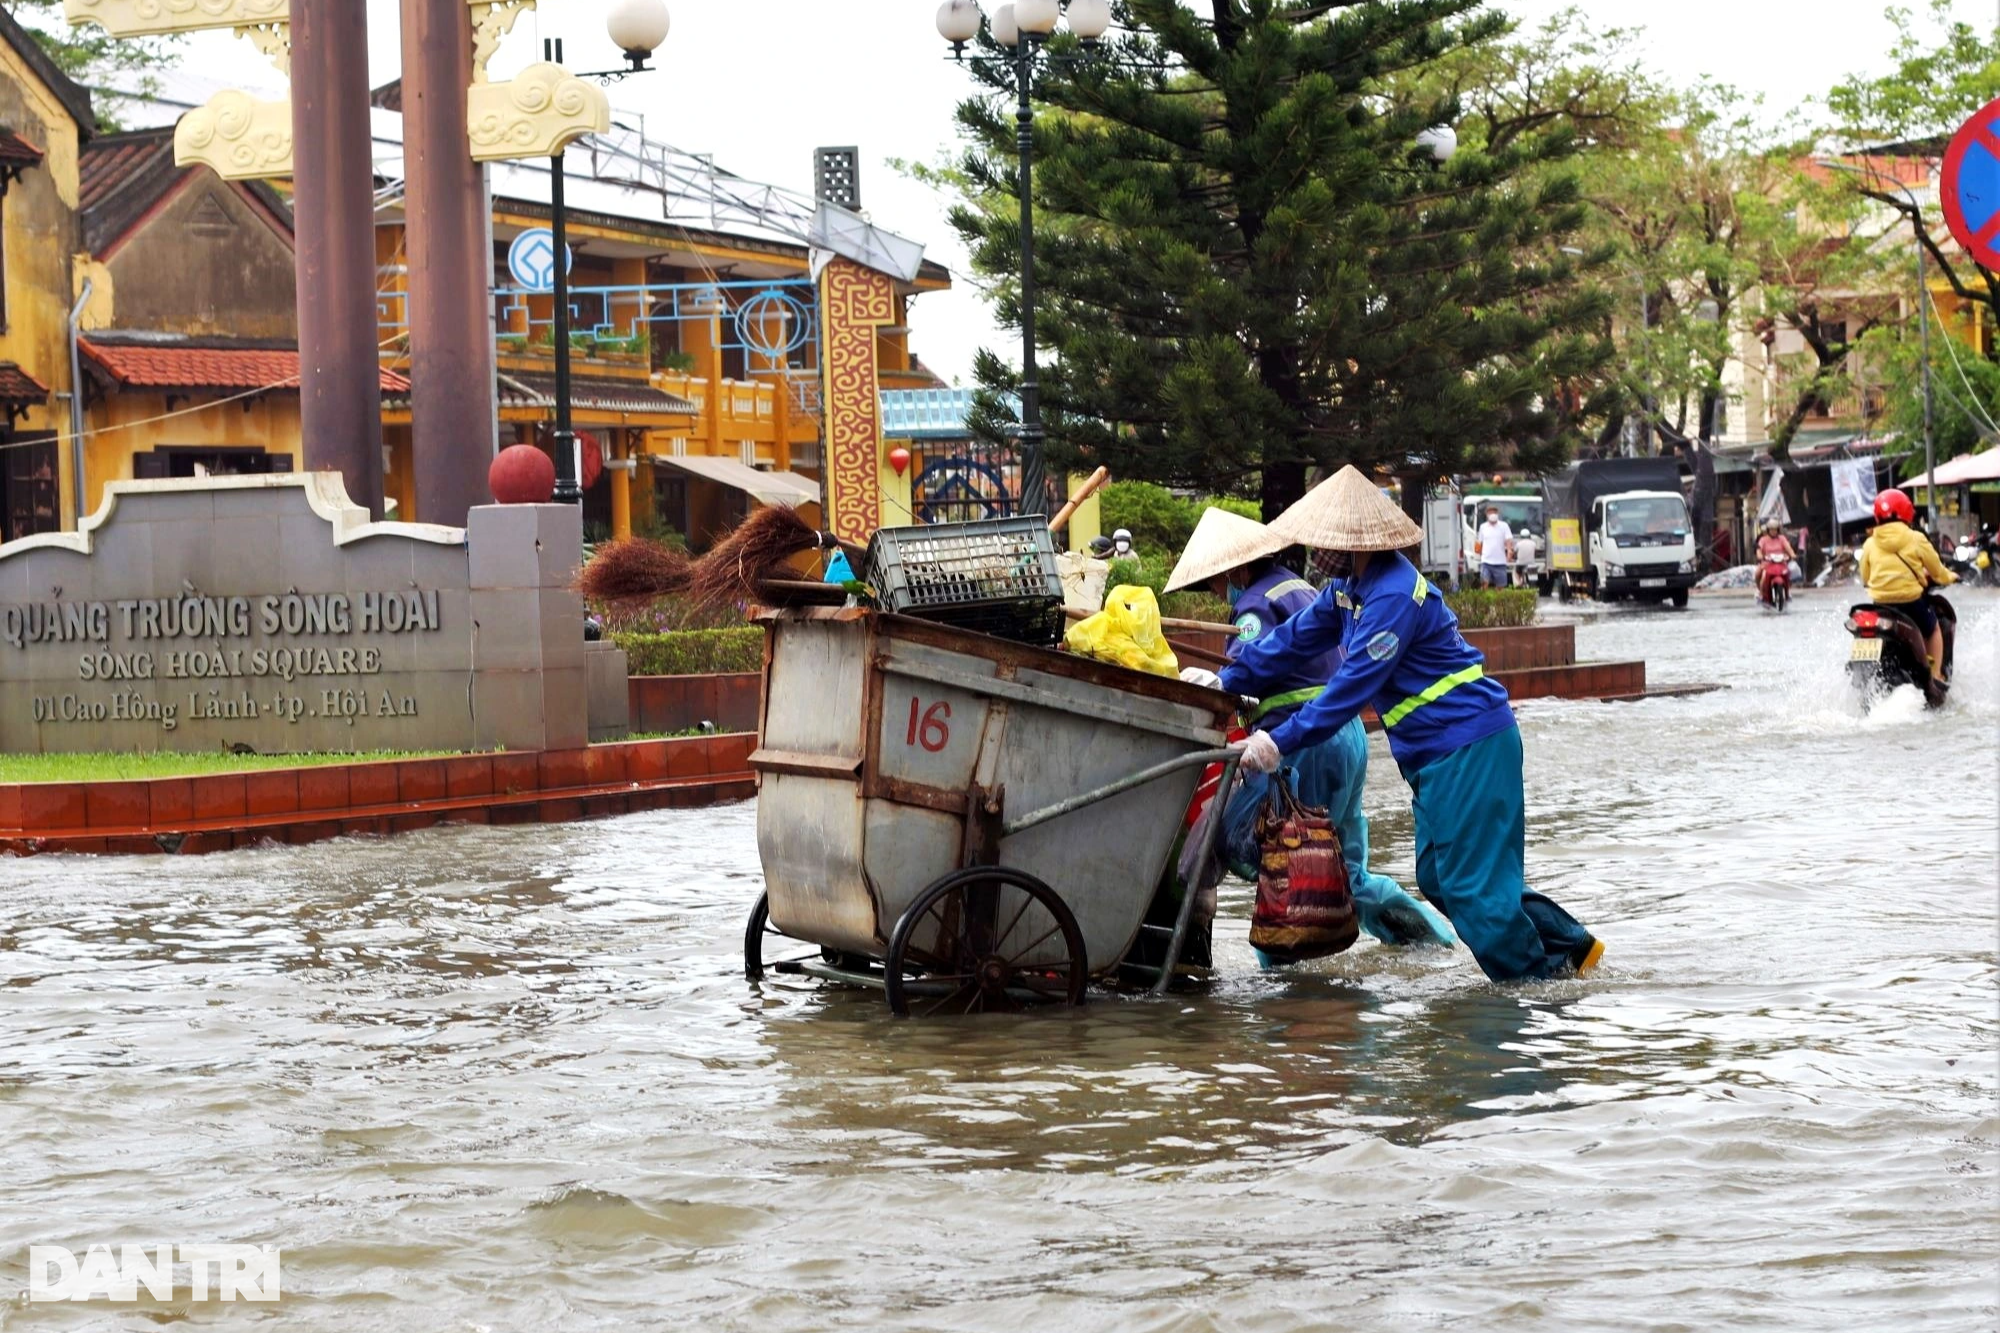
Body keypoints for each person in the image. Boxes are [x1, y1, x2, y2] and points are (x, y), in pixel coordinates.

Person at [1220, 466, 1602, 984]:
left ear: (1353, 542)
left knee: (1469, 888)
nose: (1317, 553)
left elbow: (1349, 688)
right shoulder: (1347, 589)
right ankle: (1569, 948)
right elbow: (1291, 639)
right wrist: (1227, 678)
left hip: (1467, 744)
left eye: (1325, 543)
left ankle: (1529, 992)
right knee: (1439, 879)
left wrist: (1277, 740)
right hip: (1434, 756)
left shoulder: (1393, 596)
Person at [1164, 507, 1454, 950]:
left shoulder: (1254, 604)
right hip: (1346, 735)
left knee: (1282, 856)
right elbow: (1283, 653)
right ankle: (1432, 943)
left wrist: (1223, 685)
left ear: (1237, 569)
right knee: (1346, 868)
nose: (1219, 592)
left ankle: (1286, 988)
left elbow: (1255, 658)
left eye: (1216, 582)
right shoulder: (1304, 587)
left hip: (1306, 742)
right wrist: (1227, 680)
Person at [1859, 488, 1956, 683]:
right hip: (1910, 603)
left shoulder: (1870, 543)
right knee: (1934, 629)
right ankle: (1936, 675)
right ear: (1906, 512)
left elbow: (1865, 577)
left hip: (1880, 606)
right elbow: (1937, 571)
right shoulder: (1915, 538)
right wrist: (1950, 576)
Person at [1753, 520, 1796, 605]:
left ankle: (1788, 592)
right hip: (1767, 563)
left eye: (1775, 529)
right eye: (1771, 529)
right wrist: (1760, 556)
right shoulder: (1763, 539)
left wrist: (1792, 554)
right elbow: (1759, 549)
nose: (1773, 531)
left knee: (1789, 573)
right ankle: (1761, 593)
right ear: (1768, 530)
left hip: (1781, 563)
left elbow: (1788, 547)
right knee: (1759, 574)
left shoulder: (1782, 538)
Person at [1475, 507, 1514, 589]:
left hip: (1500, 562)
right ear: (1487, 515)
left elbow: (1508, 540)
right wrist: (1478, 552)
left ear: (1497, 514)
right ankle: (1483, 600)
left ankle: (1498, 601)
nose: (1492, 514)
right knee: (1484, 583)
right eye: (1490, 513)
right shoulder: (1483, 527)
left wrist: (1509, 551)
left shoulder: (1504, 526)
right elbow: (1479, 542)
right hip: (1486, 561)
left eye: (1494, 513)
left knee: (1500, 586)